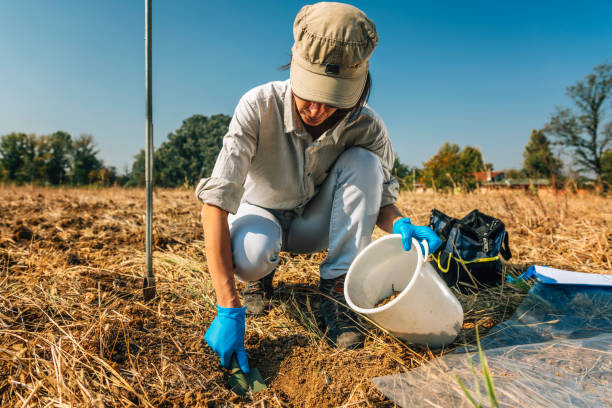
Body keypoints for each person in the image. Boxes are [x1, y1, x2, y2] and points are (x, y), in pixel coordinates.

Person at [196, 2, 441, 374]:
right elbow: (215, 204)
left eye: (332, 99)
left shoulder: (368, 127)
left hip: (315, 222)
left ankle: (337, 290)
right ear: (294, 65)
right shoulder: (257, 106)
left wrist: (402, 225)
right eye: (309, 93)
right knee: (252, 256)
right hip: (261, 213)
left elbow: (380, 204)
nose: (317, 109)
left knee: (365, 162)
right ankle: (262, 280)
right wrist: (228, 308)